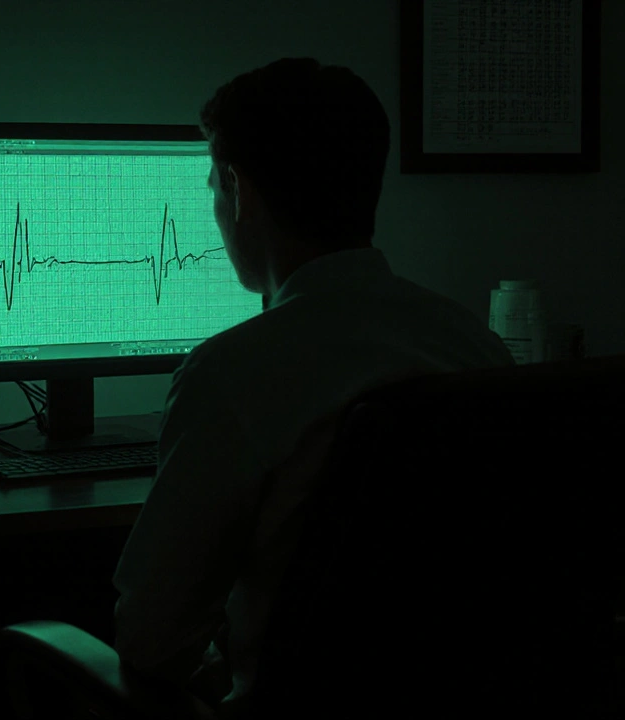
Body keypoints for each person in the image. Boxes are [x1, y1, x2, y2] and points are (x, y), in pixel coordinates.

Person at [110, 57, 514, 719]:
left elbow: (150, 639)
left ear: (238, 191)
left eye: (213, 183)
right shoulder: (472, 344)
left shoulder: (231, 373)